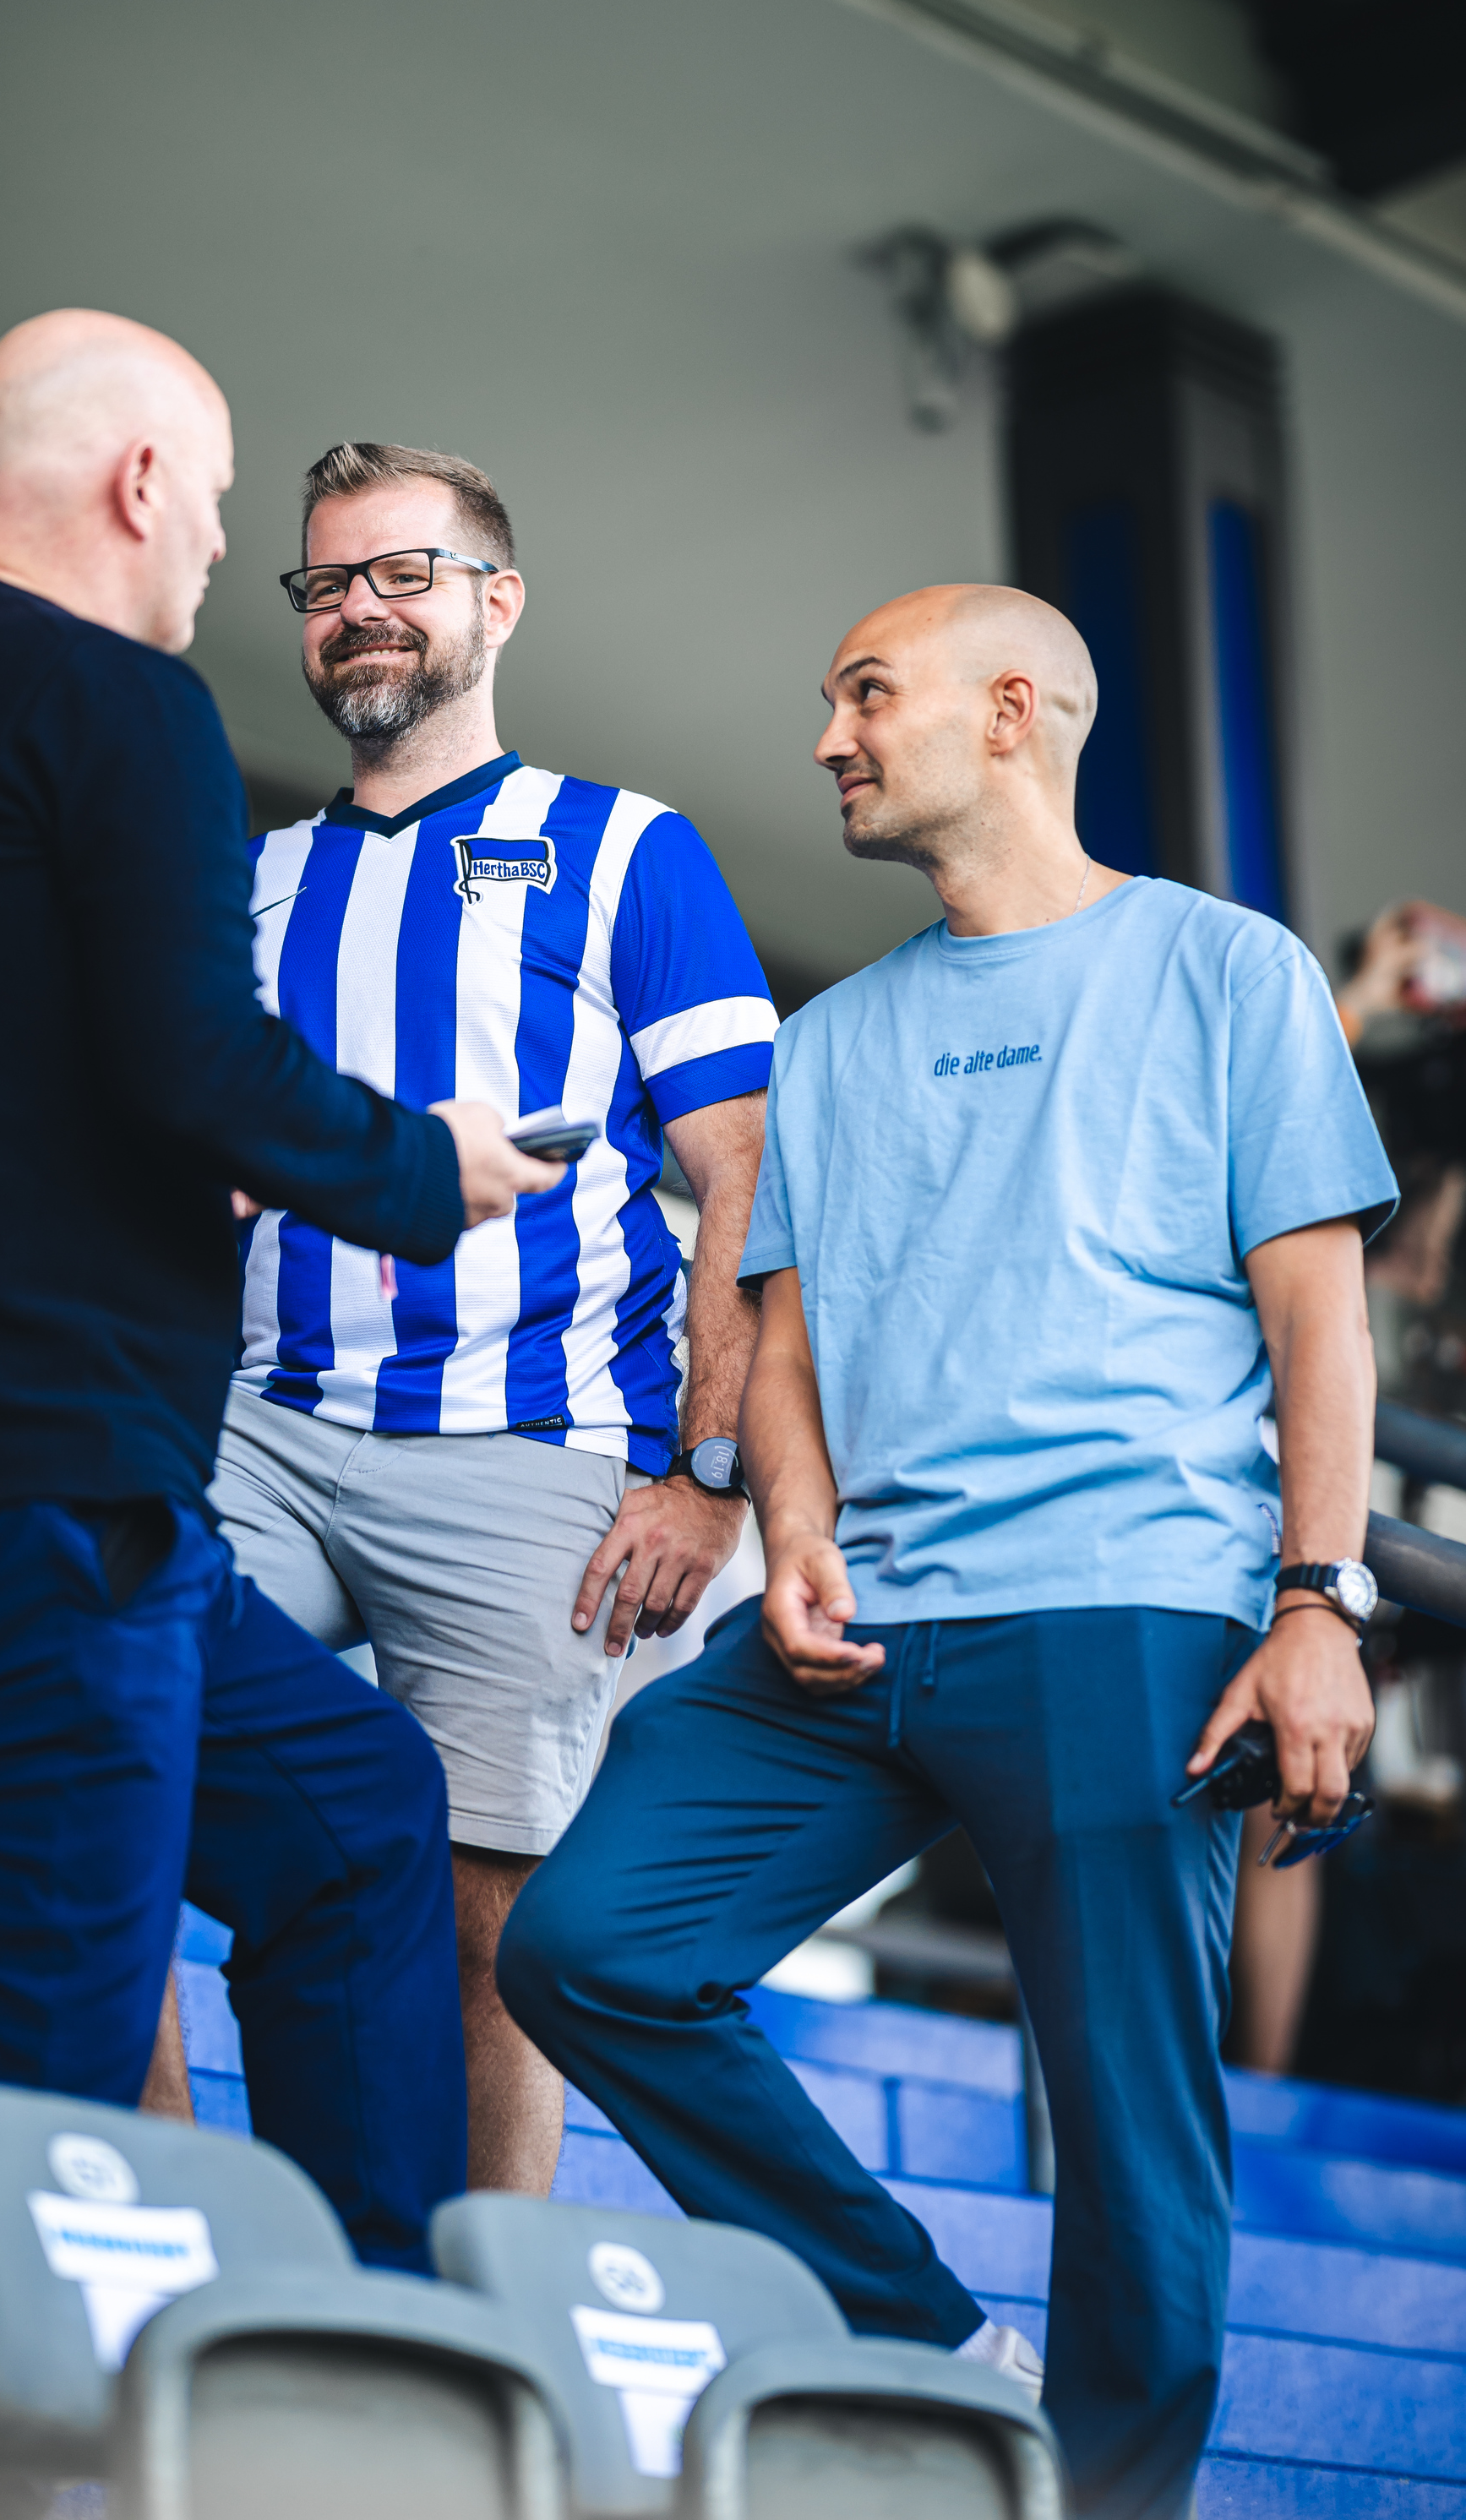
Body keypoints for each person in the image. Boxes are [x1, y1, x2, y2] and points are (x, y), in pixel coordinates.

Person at [500, 583, 1394, 2519]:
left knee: (1129, 2137)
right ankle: (916, 2341)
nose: (825, 734)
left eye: (864, 694)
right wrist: (791, 1532)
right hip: (864, 1627)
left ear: (1010, 711)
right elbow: (790, 1339)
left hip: (1125, 1610)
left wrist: (1315, 1602)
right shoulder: (832, 1036)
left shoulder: (1222, 969)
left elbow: (1321, 1320)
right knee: (591, 1945)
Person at [0, 313, 557, 2271]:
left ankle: (364, 2353)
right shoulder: (111, 698)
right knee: (43, 2116)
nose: (215, 555)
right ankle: (26, 2445)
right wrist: (431, 1164)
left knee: (355, 1810)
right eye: (226, 506)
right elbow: (191, 1055)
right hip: (29, 1495)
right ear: (140, 482)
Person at [212, 441, 777, 2195]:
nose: (358, 611)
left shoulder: (625, 850)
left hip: (531, 1444)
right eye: (325, 584)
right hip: (259, 1417)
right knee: (103, 1728)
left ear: (494, 602)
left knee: (487, 1925)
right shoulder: (245, 876)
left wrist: (705, 1476)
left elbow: (750, 1171)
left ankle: (477, 2329)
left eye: (401, 574)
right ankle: (160, 2179)